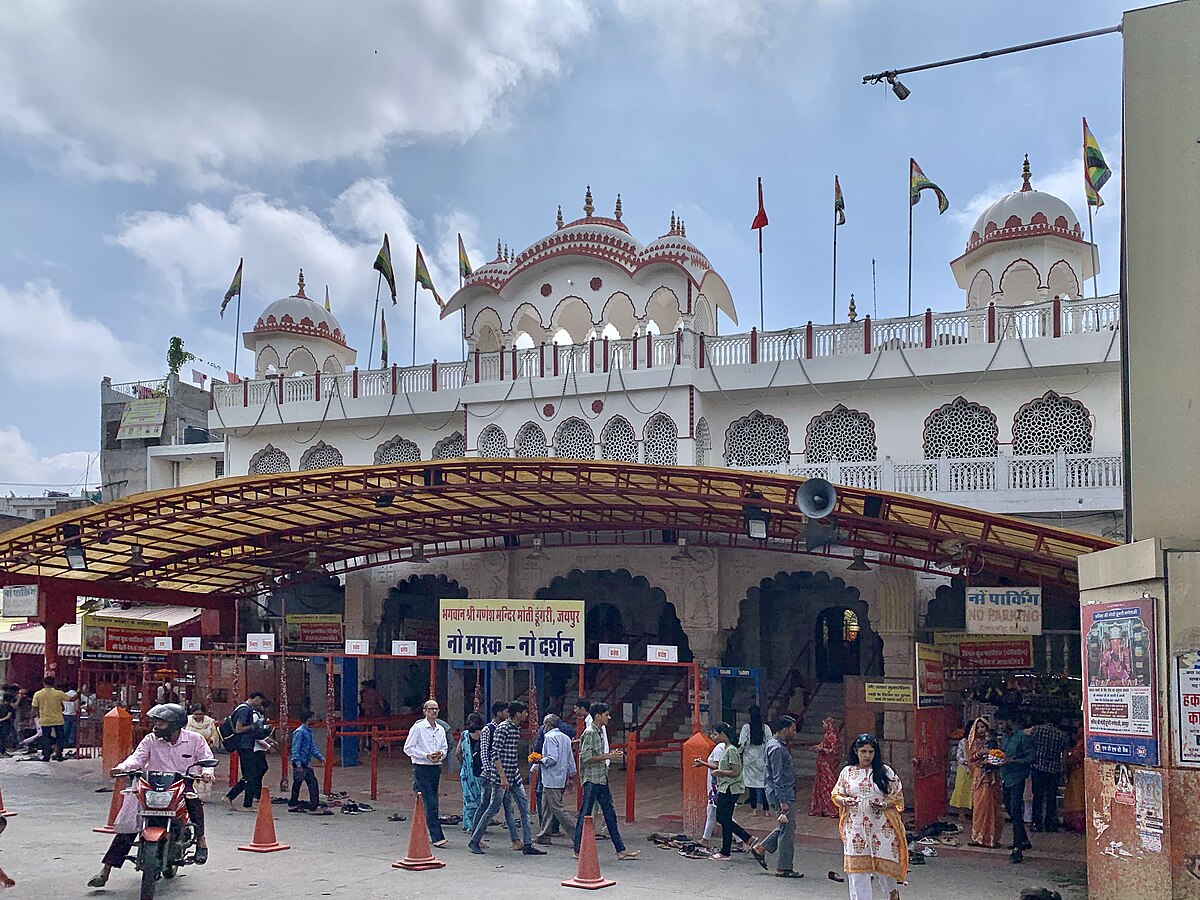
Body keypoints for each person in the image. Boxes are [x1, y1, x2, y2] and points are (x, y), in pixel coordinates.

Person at [87, 703, 215, 888]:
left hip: (181, 784)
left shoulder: (195, 740)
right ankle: (105, 872)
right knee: (130, 826)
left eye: (161, 722)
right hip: (151, 785)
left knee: (194, 801)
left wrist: (207, 771)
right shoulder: (150, 740)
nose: (156, 726)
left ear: (175, 724)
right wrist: (122, 768)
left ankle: (201, 841)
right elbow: (136, 758)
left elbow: (206, 760)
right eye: (157, 722)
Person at [831, 734, 908, 900]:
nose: (867, 755)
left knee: (887, 870)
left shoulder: (885, 772)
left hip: (882, 828)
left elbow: (897, 796)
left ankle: (892, 894)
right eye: (863, 751)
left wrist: (885, 805)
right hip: (855, 829)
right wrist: (844, 801)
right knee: (858, 873)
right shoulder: (848, 772)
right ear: (856, 751)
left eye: (871, 752)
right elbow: (836, 794)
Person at [468, 701, 545, 855]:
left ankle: (527, 844)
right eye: (524, 712)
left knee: (523, 808)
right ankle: (474, 840)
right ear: (517, 713)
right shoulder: (502, 729)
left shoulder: (514, 729)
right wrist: (502, 776)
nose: (526, 715)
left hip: (513, 775)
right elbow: (494, 754)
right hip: (500, 777)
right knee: (492, 808)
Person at [572, 702, 638, 861]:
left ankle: (620, 849)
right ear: (598, 716)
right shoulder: (590, 733)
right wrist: (608, 756)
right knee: (585, 813)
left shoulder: (599, 731)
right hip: (592, 779)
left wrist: (608, 756)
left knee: (610, 813)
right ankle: (577, 849)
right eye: (606, 714)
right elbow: (586, 757)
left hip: (601, 778)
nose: (609, 717)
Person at [751, 715, 801, 878]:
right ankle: (784, 867)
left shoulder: (776, 745)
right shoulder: (777, 748)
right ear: (785, 730)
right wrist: (783, 801)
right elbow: (777, 777)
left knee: (786, 827)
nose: (794, 733)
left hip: (782, 792)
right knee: (787, 831)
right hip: (782, 794)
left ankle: (761, 848)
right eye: (793, 729)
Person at [472, 699, 519, 844]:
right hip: (490, 775)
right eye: (505, 711)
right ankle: (475, 835)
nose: (507, 714)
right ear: (499, 713)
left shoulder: (506, 728)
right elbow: (485, 752)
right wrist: (489, 771)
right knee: (485, 804)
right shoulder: (488, 729)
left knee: (507, 806)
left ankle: (515, 840)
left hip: (502, 774)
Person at [404, 699, 449, 847]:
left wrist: (440, 754)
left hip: (435, 768)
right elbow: (408, 748)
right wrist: (425, 755)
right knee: (431, 802)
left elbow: (444, 747)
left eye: (436, 709)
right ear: (425, 711)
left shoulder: (440, 729)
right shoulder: (418, 728)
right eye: (431, 709)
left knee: (429, 800)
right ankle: (437, 836)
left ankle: (422, 830)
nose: (434, 711)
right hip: (422, 767)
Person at [708, 721, 753, 861]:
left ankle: (747, 838)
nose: (713, 737)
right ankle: (725, 851)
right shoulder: (726, 749)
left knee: (722, 817)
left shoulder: (731, 750)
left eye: (715, 734)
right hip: (725, 786)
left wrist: (719, 772)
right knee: (724, 818)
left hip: (731, 788)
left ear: (722, 734)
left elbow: (736, 771)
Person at [224, 692, 271, 811]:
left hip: (245, 745)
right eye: (260, 700)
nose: (260, 703)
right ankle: (244, 803)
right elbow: (239, 729)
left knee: (250, 775)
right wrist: (253, 727)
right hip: (245, 745)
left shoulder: (242, 708)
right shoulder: (245, 710)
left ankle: (232, 797)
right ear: (256, 698)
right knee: (250, 775)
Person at [535, 714, 577, 845]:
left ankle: (577, 833)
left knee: (557, 808)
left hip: (551, 778)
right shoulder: (565, 738)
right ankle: (544, 835)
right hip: (561, 776)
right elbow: (571, 759)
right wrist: (571, 775)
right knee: (547, 806)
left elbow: (552, 758)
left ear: (547, 725)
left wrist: (540, 760)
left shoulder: (549, 738)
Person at [999, 718, 1034, 862]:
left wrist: (1013, 761)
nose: (1000, 726)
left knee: (1015, 808)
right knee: (1009, 807)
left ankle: (1017, 846)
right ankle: (1023, 839)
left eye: (1002, 723)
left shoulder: (1023, 737)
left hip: (1018, 776)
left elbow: (1031, 757)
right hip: (1006, 776)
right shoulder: (1005, 738)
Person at [966, 717, 1004, 849]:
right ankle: (978, 837)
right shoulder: (974, 742)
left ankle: (992, 838)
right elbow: (970, 759)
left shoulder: (993, 742)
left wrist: (992, 756)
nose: (981, 730)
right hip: (980, 778)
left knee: (994, 808)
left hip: (992, 778)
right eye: (979, 727)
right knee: (980, 808)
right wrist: (980, 753)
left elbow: (999, 756)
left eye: (983, 727)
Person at [1027, 719, 1070, 833]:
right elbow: (1064, 756)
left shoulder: (1037, 730)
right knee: (1051, 797)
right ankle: (1050, 823)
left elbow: (1028, 743)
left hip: (1038, 767)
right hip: (1053, 769)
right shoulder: (1062, 735)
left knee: (1037, 797)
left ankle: (1036, 823)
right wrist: (1064, 770)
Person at [738, 705, 773, 817]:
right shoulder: (765, 728)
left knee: (751, 786)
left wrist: (738, 753)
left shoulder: (746, 728)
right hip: (762, 760)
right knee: (764, 786)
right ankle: (766, 810)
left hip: (750, 760)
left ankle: (753, 809)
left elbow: (741, 743)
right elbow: (770, 743)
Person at [288, 710, 325, 812]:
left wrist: (319, 757)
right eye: (313, 717)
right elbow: (295, 748)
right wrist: (297, 763)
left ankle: (300, 803)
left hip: (305, 762)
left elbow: (312, 747)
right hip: (300, 763)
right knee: (302, 783)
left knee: (303, 783)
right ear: (309, 718)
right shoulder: (300, 732)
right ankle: (297, 803)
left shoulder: (307, 731)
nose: (314, 719)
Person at [455, 713, 485, 834]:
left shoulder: (464, 735)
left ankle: (468, 824)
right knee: (481, 799)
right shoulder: (483, 734)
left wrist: (464, 764)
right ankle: (478, 825)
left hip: (467, 772)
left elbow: (458, 752)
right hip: (480, 771)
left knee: (468, 798)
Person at [810, 716, 843, 817]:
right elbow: (822, 746)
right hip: (822, 764)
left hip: (828, 764)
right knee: (821, 785)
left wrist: (822, 750)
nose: (823, 726)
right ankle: (822, 808)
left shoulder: (833, 736)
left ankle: (832, 808)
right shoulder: (826, 735)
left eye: (824, 724)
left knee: (829, 784)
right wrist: (818, 748)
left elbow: (834, 751)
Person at [31, 676, 67, 761]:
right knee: (60, 737)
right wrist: (78, 693)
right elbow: (72, 699)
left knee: (46, 738)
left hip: (45, 720)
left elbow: (34, 708)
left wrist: (31, 719)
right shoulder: (59, 693)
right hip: (58, 720)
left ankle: (46, 756)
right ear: (54, 683)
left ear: (44, 683)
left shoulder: (38, 694)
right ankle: (59, 754)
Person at [1061, 723, 1086, 833]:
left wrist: (1067, 759)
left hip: (1078, 775)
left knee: (1077, 799)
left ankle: (1078, 823)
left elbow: (1074, 758)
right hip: (1078, 774)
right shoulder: (1083, 744)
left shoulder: (1081, 745)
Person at [949, 720, 975, 814]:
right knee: (961, 792)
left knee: (973, 792)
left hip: (975, 770)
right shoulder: (963, 742)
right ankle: (962, 814)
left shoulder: (978, 742)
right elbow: (958, 756)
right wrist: (965, 761)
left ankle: (972, 813)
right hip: (964, 770)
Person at [61, 687, 79, 753]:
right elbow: (77, 707)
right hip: (74, 714)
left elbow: (62, 705)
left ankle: (65, 743)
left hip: (65, 714)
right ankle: (72, 743)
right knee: (73, 730)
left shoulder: (64, 695)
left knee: (65, 729)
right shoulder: (77, 695)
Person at [0, 692, 14, 757]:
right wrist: (3, 720)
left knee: (1, 738)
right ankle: (2, 751)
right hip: (6, 724)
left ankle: (3, 751)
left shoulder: (1, 706)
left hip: (1, 723)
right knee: (4, 738)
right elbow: (9, 716)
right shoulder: (9, 707)